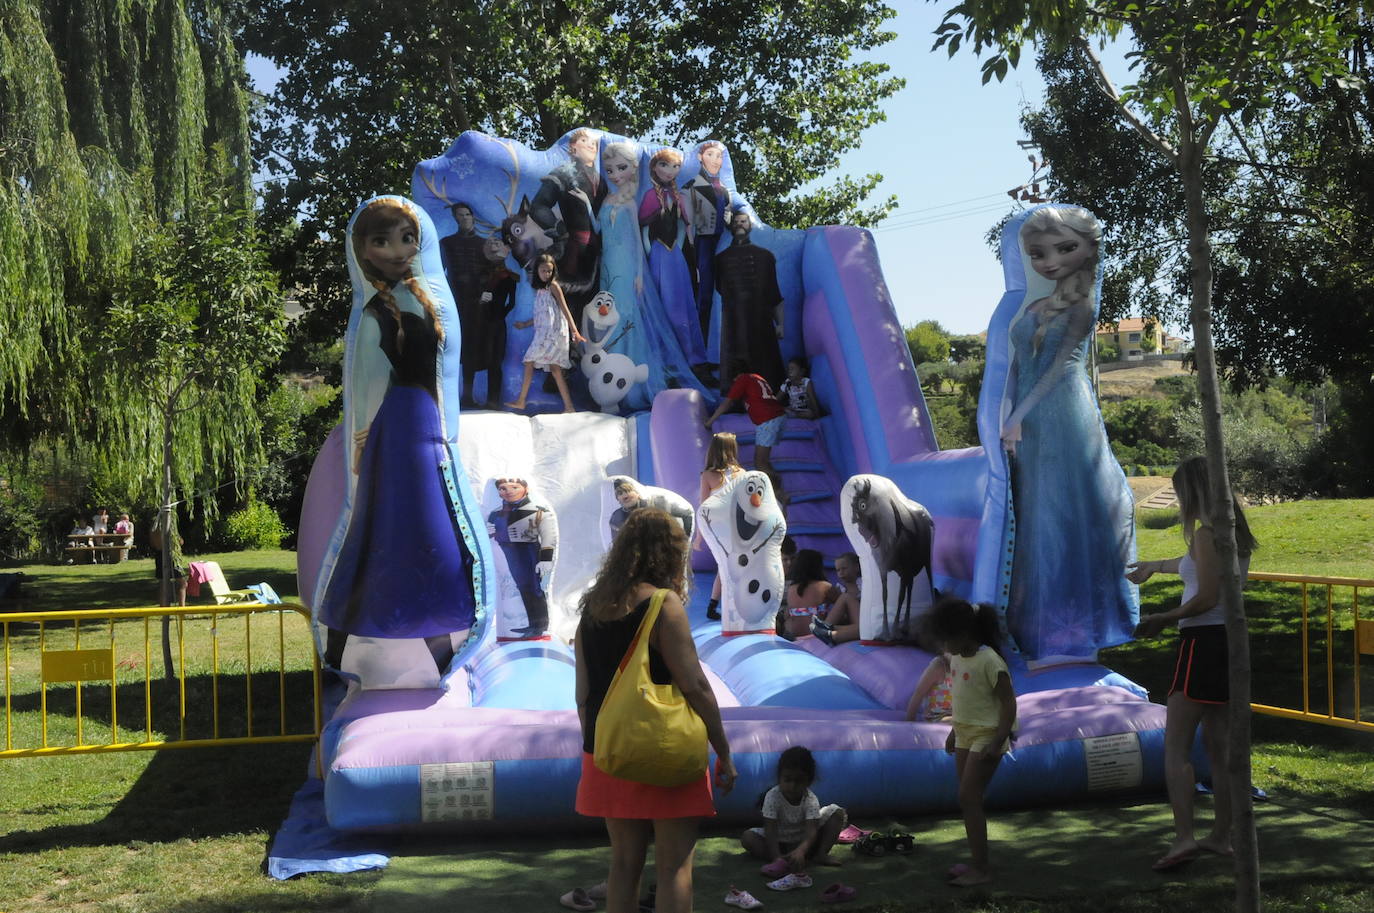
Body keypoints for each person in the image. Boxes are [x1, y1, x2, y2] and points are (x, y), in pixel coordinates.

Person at [316, 197, 479, 667]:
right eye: (381, 240)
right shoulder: (372, 317)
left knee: (426, 526)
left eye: (406, 238)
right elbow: (368, 384)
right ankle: (342, 646)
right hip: (400, 427)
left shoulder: (428, 300)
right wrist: (363, 442)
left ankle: (440, 640)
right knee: (391, 528)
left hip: (424, 422)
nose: (396, 249)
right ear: (363, 250)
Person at [574, 507, 737, 913]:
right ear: (670, 553)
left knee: (624, 864)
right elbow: (696, 686)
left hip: (607, 749)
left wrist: (596, 744)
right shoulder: (664, 605)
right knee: (674, 867)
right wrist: (723, 749)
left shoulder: (591, 608)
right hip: (664, 747)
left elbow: (582, 693)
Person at [1001, 206, 1136, 661]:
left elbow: (1058, 371)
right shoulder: (1038, 305)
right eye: (1037, 253)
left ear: (1087, 249)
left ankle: (1067, 635)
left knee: (1056, 514)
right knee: (1032, 514)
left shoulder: (1082, 305)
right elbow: (1020, 364)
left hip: (1060, 414)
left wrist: (1018, 414)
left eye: (1063, 248)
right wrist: (1007, 410)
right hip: (1029, 418)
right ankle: (1034, 629)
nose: (1049, 261)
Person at [1126, 455, 1257, 872]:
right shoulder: (1233, 532)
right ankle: (1221, 837)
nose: (1178, 501)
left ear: (1193, 492)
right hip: (1229, 644)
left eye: (1180, 492)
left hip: (1200, 644)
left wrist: (1162, 619)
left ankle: (1184, 837)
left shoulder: (1205, 534)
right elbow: (1200, 572)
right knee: (1220, 749)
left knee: (1176, 746)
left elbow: (1206, 598)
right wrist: (1154, 567)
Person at [928, 597, 1017, 887]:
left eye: (945, 639)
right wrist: (955, 731)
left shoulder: (990, 661)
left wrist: (999, 739)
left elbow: (1008, 704)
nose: (943, 647)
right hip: (966, 733)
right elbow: (964, 700)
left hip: (986, 735)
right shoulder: (956, 658)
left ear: (964, 635)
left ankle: (982, 869)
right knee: (968, 800)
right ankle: (976, 862)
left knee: (968, 798)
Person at [639, 146, 711, 382]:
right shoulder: (651, 196)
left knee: (682, 305)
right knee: (666, 306)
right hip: (659, 255)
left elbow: (683, 225)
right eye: (664, 165)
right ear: (654, 167)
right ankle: (668, 360)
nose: (670, 171)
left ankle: (692, 357)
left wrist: (681, 247)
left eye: (675, 166)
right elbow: (644, 226)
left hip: (675, 257)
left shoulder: (677, 196)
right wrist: (651, 252)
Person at [740, 746, 849, 886]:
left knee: (837, 813)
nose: (792, 786)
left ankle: (820, 854)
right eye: (787, 780)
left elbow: (811, 832)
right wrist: (775, 856)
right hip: (780, 841)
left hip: (805, 843)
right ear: (779, 778)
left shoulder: (810, 799)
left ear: (808, 781)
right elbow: (770, 829)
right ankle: (785, 860)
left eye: (798, 781)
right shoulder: (773, 796)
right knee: (748, 837)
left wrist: (801, 850)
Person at [530, 128, 606, 325]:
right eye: (584, 140)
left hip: (598, 253)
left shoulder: (602, 180)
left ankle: (586, 352)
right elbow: (538, 207)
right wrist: (561, 232)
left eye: (594, 143)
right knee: (568, 305)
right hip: (573, 251)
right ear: (573, 148)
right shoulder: (563, 173)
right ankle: (566, 351)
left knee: (594, 307)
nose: (591, 145)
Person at [714, 209, 785, 394]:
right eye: (736, 221)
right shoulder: (720, 260)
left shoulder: (765, 257)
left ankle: (770, 395)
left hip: (761, 319)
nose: (739, 224)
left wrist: (781, 324)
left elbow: (774, 293)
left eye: (744, 221)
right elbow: (720, 289)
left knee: (765, 360)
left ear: (750, 225)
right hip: (733, 322)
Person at [507, 252, 585, 413]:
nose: (547, 274)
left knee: (530, 361)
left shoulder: (554, 286)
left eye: (549, 271)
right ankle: (569, 407)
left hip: (553, 333)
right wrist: (525, 324)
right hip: (543, 333)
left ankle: (522, 400)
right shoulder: (540, 290)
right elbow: (542, 313)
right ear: (538, 271)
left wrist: (575, 331)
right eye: (543, 271)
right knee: (555, 369)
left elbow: (564, 309)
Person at [703, 358, 787, 501]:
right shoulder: (756, 377)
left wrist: (710, 422)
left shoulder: (743, 379)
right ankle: (776, 488)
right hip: (777, 417)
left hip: (768, 420)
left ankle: (779, 494)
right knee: (763, 460)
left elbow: (727, 403)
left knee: (759, 461)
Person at [487, 477, 558, 639]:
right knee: (523, 588)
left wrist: (545, 559)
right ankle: (532, 625)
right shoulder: (495, 513)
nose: (508, 491)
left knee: (534, 588)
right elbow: (491, 534)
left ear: (525, 488)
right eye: (503, 488)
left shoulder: (538, 511)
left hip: (529, 551)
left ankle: (540, 625)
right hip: (509, 553)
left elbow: (548, 536)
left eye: (514, 487)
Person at [438, 202, 491, 408]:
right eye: (461, 215)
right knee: (451, 348)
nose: (465, 218)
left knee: (472, 349)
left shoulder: (483, 244)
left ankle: (467, 395)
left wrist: (487, 294)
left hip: (478, 305)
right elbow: (439, 271)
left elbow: (491, 273)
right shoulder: (446, 243)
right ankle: (448, 396)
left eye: (468, 214)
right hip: (454, 303)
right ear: (455, 218)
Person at [681, 140, 736, 342]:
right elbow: (688, 223)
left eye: (719, 156)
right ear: (700, 157)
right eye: (710, 154)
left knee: (722, 294)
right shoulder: (691, 187)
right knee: (703, 295)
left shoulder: (724, 190)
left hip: (722, 245)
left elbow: (729, 215)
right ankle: (699, 341)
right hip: (701, 245)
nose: (716, 160)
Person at [695, 432, 745, 621]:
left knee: (725, 566)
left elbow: (703, 507)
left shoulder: (708, 475)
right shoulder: (742, 473)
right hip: (738, 526)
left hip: (719, 527)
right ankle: (726, 605)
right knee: (732, 567)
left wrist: (700, 536)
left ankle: (714, 605)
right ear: (733, 449)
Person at [609, 478, 693, 542]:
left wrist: (685, 540)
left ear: (638, 493)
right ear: (618, 500)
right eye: (620, 493)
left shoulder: (658, 503)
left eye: (628, 491)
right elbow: (617, 545)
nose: (625, 495)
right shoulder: (616, 518)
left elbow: (687, 513)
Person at [782, 549, 840, 640]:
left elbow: (786, 615)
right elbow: (841, 605)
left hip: (791, 635)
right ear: (818, 567)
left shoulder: (791, 588)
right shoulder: (825, 586)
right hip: (814, 636)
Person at [811, 552, 861, 645]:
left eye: (844, 569)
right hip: (850, 622)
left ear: (856, 567)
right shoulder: (839, 588)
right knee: (844, 598)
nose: (841, 573)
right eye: (838, 570)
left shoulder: (864, 586)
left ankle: (827, 627)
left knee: (845, 597)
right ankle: (826, 627)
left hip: (862, 620)